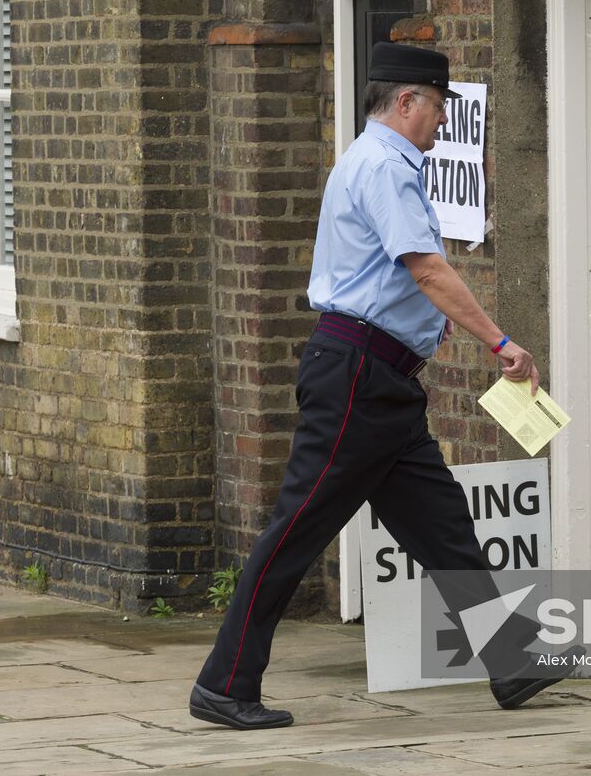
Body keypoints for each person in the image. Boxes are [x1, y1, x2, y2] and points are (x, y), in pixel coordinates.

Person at [189, 42, 571, 730]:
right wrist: (501, 342)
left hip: (381, 382)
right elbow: (425, 269)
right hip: (357, 377)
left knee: (444, 525)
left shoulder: (373, 162)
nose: (441, 124)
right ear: (406, 102)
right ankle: (225, 683)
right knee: (297, 529)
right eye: (437, 108)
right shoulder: (384, 167)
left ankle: (512, 662)